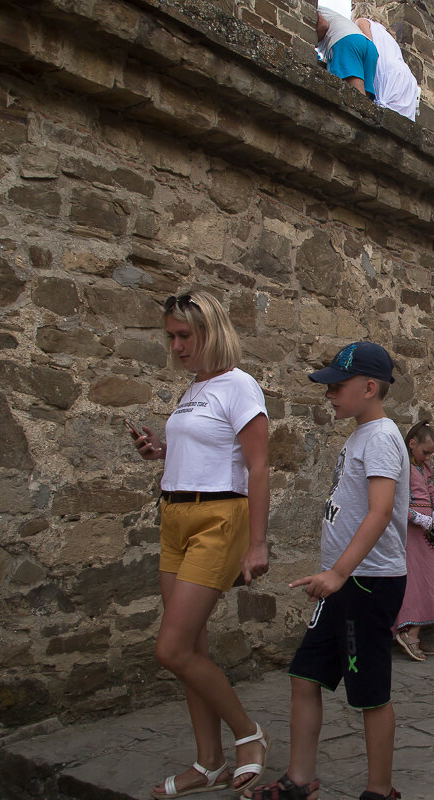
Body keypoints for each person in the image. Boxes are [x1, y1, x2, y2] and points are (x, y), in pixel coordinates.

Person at [127, 291, 270, 799]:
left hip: (218, 518)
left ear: (211, 332)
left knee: (170, 648)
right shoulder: (194, 389)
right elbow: (203, 449)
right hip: (175, 514)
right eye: (170, 336)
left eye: (184, 335)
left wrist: (257, 544)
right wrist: (161, 452)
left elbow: (257, 467)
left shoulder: (240, 386)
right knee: (189, 646)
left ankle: (248, 737)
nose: (176, 345)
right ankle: (208, 761)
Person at [251, 342, 408, 800]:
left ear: (370, 387)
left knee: (370, 692)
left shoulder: (380, 437)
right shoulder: (360, 433)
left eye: (337, 387)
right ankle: (300, 780)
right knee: (306, 675)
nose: (330, 395)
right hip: (343, 582)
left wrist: (339, 573)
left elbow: (379, 513)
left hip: (367, 582)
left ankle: (380, 790)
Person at [394, 421, 434, 662]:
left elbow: (431, 493)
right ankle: (410, 633)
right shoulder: (402, 467)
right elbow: (395, 500)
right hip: (411, 529)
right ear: (412, 444)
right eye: (425, 451)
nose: (428, 456)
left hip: (427, 528)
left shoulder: (424, 467)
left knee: (432, 577)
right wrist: (417, 517)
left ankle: (413, 629)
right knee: (417, 579)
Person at [358, 19, 420, 121]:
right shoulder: (387, 34)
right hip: (406, 77)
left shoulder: (362, 21)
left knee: (381, 120)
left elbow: (369, 48)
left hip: (388, 73)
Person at [315, 5, 379, 99]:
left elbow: (323, 25)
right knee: (366, 101)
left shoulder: (313, 7)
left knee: (356, 99)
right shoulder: (331, 13)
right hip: (368, 45)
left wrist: (311, 43)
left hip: (346, 41)